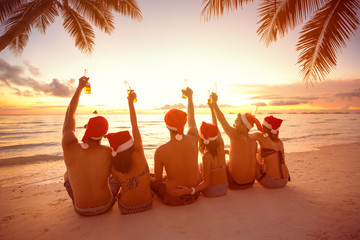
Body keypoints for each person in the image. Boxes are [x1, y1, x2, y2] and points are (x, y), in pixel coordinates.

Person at [62, 76, 119, 216]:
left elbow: (70, 114)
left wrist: (79, 88)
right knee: (113, 176)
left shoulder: (69, 146)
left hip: (81, 210)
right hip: (106, 205)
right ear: (105, 133)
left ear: (87, 128)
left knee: (66, 175)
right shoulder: (108, 151)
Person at [151, 87, 202, 206]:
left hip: (173, 197)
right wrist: (190, 97)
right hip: (193, 194)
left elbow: (158, 180)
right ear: (184, 124)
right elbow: (192, 119)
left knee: (149, 178)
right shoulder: (194, 138)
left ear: (167, 126)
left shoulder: (161, 151)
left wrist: (168, 177)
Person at [106, 91, 153, 214]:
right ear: (130, 143)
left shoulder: (114, 165)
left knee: (114, 182)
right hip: (147, 204)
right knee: (150, 177)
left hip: (126, 208)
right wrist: (130, 103)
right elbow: (134, 125)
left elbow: (117, 184)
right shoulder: (138, 154)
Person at [179, 98, 228, 197]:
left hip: (212, 191)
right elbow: (215, 125)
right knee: (202, 165)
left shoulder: (207, 156)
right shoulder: (221, 146)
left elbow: (206, 183)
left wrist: (191, 190)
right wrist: (212, 108)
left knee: (197, 169)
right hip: (224, 187)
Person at [212, 93, 262, 189]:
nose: (233, 123)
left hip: (236, 183)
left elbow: (221, 119)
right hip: (251, 182)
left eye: (236, 121)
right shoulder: (253, 142)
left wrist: (214, 104)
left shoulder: (235, 136)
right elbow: (243, 157)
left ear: (243, 126)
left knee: (224, 164)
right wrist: (230, 152)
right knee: (230, 161)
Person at [250, 115, 290, 188]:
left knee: (251, 155)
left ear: (264, 128)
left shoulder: (261, 137)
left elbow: (245, 137)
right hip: (285, 180)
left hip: (271, 182)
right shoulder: (279, 142)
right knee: (260, 152)